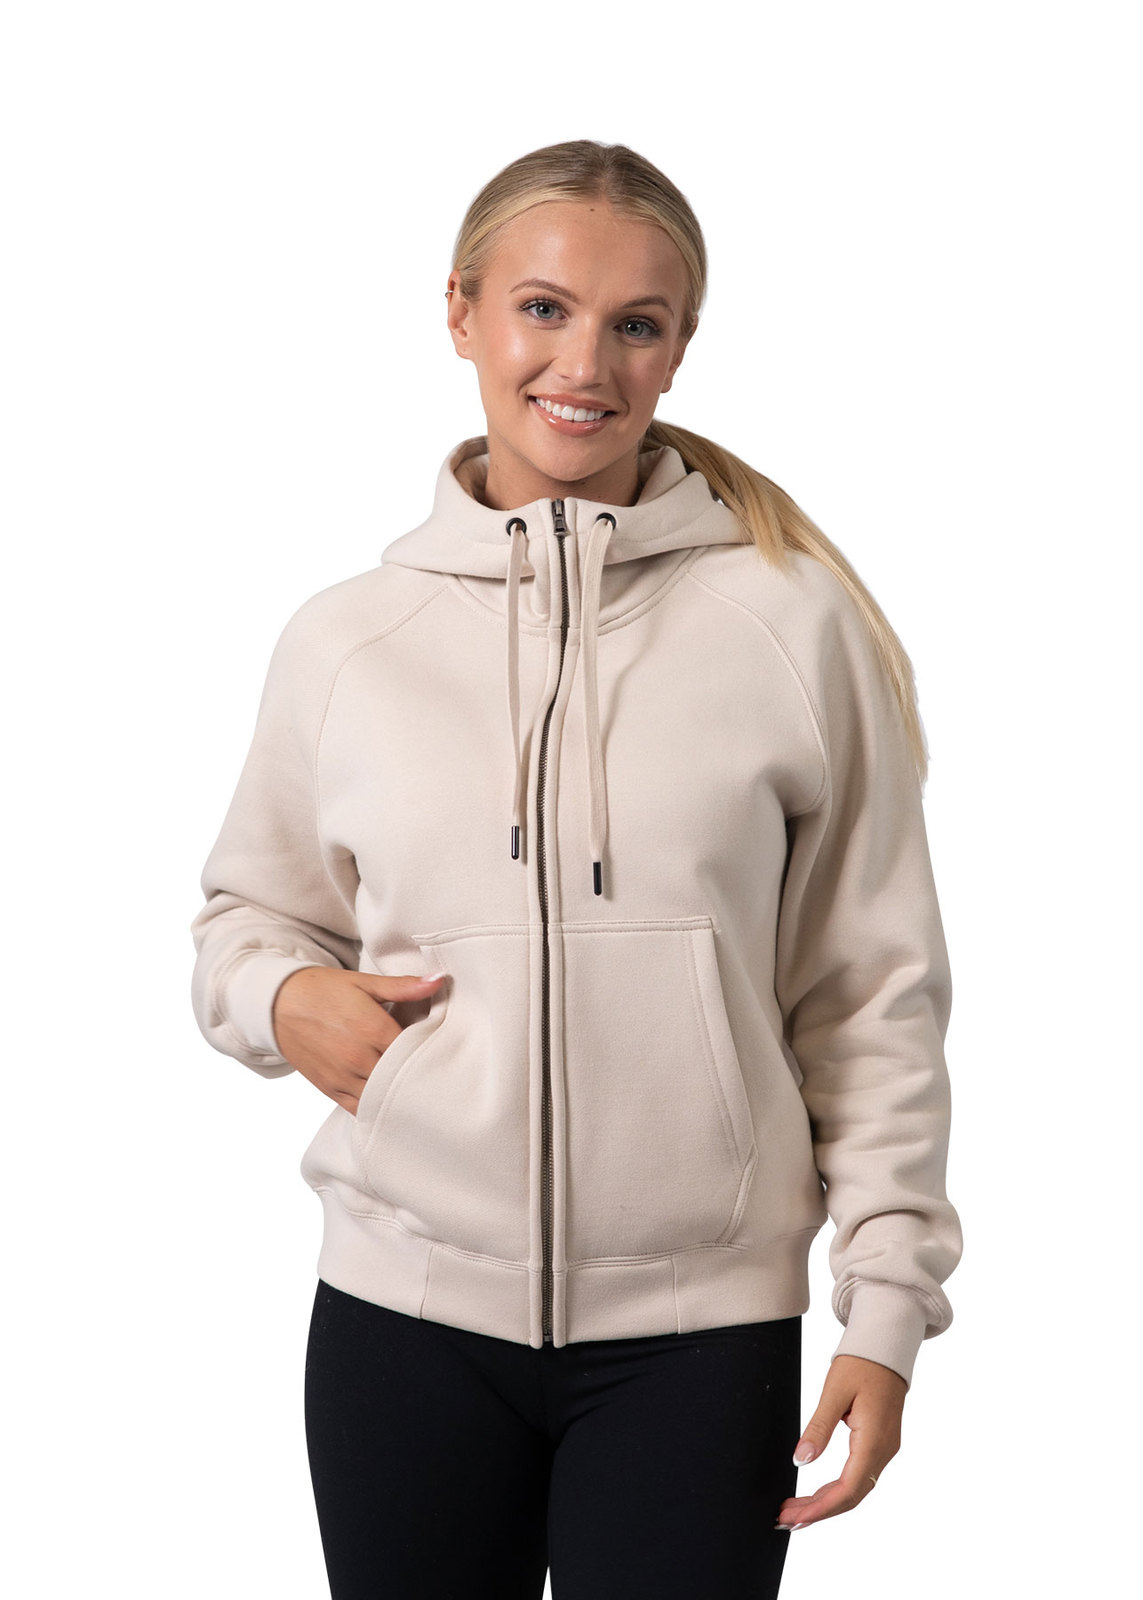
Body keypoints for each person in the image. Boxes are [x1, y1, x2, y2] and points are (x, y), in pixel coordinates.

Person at [190, 138, 962, 1600]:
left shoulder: (790, 626)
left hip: (700, 1342)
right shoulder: (347, 641)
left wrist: (884, 1308)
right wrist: (281, 998)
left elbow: (872, 994)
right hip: (402, 1324)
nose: (584, 364)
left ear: (681, 347)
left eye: (636, 324)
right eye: (542, 308)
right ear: (462, 311)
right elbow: (245, 917)